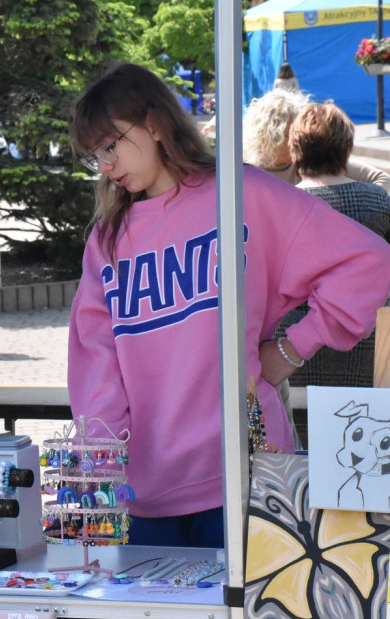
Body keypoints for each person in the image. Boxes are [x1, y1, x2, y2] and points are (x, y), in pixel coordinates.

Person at [66, 63, 390, 579]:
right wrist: (101, 474)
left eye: (112, 145)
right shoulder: (107, 241)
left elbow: (368, 263)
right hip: (144, 495)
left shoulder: (243, 195)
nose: (105, 165)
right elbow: (97, 368)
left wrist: (290, 350)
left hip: (248, 473)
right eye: (95, 154)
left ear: (154, 124)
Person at [276, 101, 390, 387]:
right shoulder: (378, 201)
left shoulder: (279, 208)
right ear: (348, 150)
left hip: (290, 361)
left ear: (294, 150)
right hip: (373, 360)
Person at [243, 88, 390, 193]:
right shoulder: (246, 170)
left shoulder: (309, 159)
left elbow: (381, 178)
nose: (300, 140)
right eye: (293, 134)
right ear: (269, 136)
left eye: (300, 133)